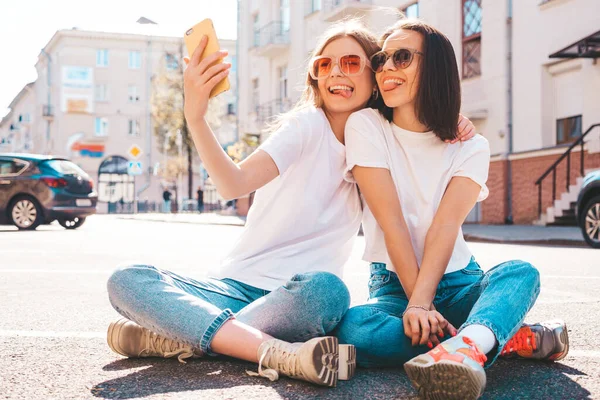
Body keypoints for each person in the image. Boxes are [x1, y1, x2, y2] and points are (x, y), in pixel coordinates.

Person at [104, 20, 475, 388]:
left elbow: (419, 133)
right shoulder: (305, 126)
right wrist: (195, 117)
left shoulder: (381, 138)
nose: (334, 74)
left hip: (301, 300)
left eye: (350, 63)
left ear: (375, 74)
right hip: (234, 289)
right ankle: (275, 352)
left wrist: (449, 120)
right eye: (323, 65)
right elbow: (233, 183)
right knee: (127, 278)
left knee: (329, 293)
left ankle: (181, 337)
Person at [335, 19, 568, 399]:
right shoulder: (366, 126)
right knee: (355, 331)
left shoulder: (471, 147)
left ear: (436, 68)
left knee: (520, 273)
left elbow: (444, 228)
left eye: (403, 57)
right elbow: (390, 222)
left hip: (459, 279)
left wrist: (425, 304)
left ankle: (465, 346)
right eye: (381, 59)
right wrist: (417, 303)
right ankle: (490, 336)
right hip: (395, 282)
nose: (387, 68)